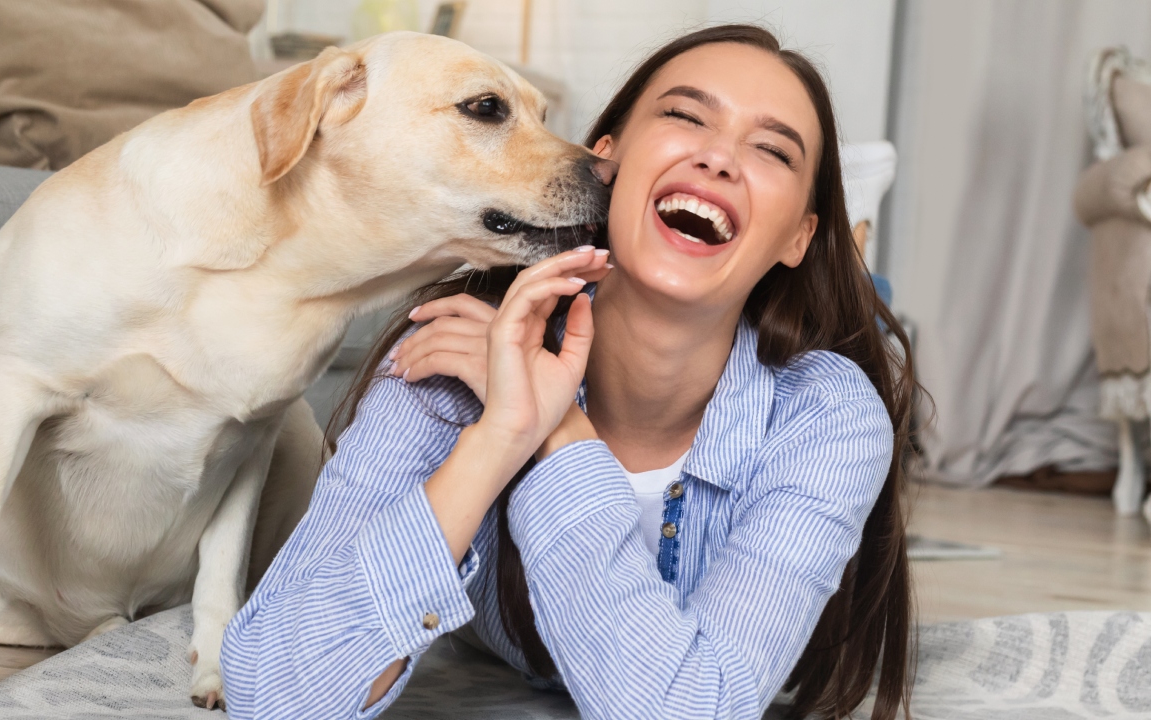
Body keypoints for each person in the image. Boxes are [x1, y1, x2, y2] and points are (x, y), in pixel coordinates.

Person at [220, 24, 917, 720]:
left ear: (799, 237)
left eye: (770, 150)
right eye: (684, 116)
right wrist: (498, 436)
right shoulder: (460, 346)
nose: (718, 158)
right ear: (603, 162)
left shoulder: (827, 414)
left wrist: (556, 430)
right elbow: (274, 693)